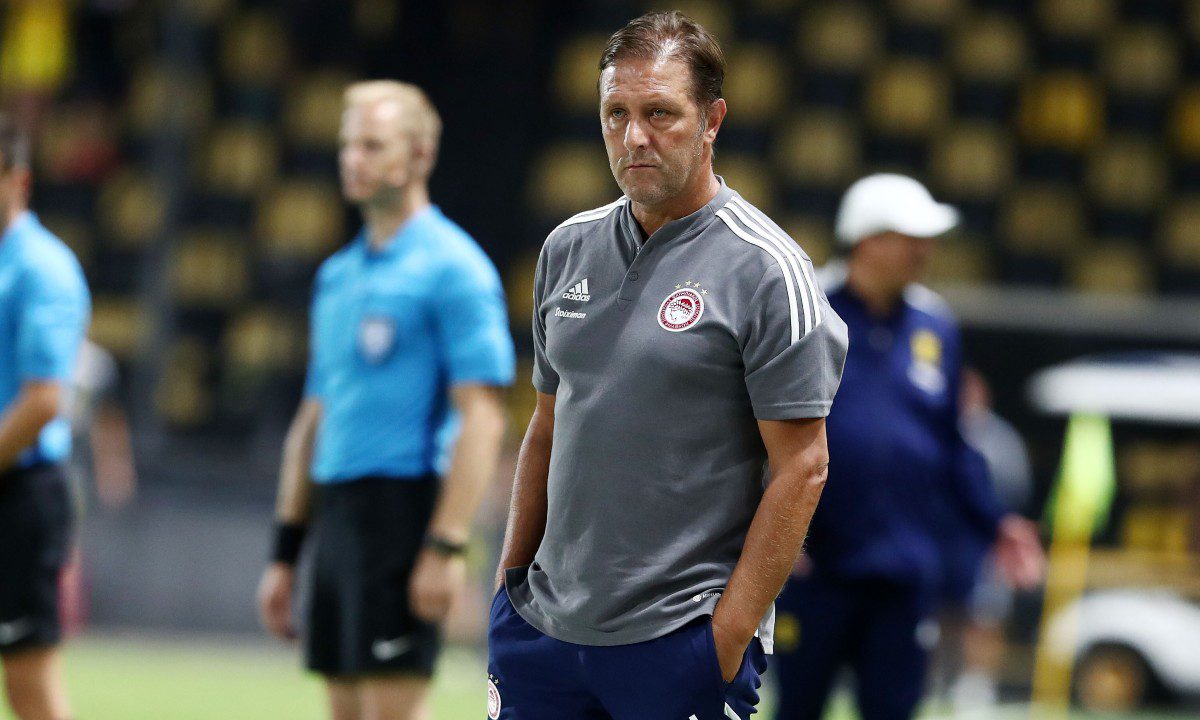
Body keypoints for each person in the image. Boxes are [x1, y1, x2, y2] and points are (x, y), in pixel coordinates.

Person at [487, 12, 848, 720]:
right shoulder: (566, 249)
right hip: (543, 638)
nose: (633, 137)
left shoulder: (768, 270)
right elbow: (547, 428)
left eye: (659, 113)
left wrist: (726, 637)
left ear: (712, 120)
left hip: (679, 640)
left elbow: (804, 467)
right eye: (615, 114)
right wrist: (508, 585)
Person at [255, 81, 515, 720]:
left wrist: (446, 547)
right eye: (348, 145)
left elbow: (484, 417)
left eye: (372, 145)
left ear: (420, 154)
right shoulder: (337, 275)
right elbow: (313, 419)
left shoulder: (454, 267)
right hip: (337, 515)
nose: (353, 159)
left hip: (402, 510)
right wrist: (285, 554)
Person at [770, 174, 1046, 720]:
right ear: (867, 239)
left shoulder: (934, 325)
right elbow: (757, 431)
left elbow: (950, 443)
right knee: (798, 707)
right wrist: (771, 533)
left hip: (904, 570)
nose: (926, 251)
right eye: (911, 238)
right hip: (815, 565)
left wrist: (997, 523)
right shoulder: (806, 309)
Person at [0, 114, 91, 720]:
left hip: (21, 490)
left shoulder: (41, 268)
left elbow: (43, 401)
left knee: (27, 678)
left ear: (19, 180)